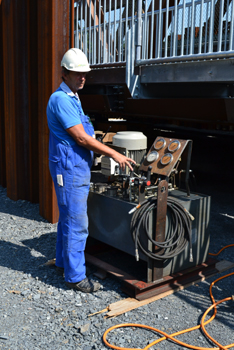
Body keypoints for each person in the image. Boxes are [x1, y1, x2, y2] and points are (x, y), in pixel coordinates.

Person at [46, 48, 135, 293]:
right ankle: (75, 277)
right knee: (77, 222)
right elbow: (82, 139)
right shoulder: (61, 100)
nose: (82, 77)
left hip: (75, 166)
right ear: (64, 73)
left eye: (84, 73)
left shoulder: (73, 96)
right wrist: (114, 153)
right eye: (77, 73)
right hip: (70, 167)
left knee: (68, 217)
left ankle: (64, 263)